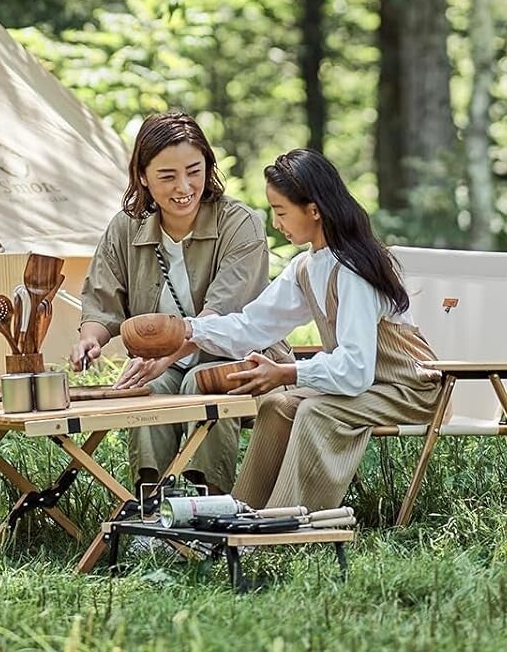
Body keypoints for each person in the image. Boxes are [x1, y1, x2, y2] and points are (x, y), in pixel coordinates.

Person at [182, 147, 442, 512]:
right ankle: (242, 514)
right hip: (368, 386)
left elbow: (355, 369)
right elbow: (254, 325)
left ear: (314, 210)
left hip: (408, 391)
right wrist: (187, 330)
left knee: (314, 411)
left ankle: (288, 524)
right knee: (277, 404)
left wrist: (288, 371)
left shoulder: (353, 271)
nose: (276, 223)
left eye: (280, 211)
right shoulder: (307, 266)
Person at [71, 111, 282, 493]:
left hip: (238, 358)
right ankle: (150, 506)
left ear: (208, 167)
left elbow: (220, 317)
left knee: (199, 383)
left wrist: (163, 357)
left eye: (194, 171)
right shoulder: (125, 227)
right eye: (167, 176)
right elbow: (102, 302)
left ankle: (208, 505)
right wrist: (90, 338)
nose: (184, 186)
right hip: (165, 363)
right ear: (143, 178)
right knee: (148, 393)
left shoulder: (240, 224)